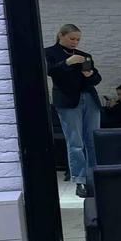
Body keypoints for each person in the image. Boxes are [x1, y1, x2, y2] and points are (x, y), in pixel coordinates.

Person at [44, 23, 101, 198]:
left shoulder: (84, 55)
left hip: (89, 98)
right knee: (75, 142)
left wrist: (90, 75)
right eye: (72, 38)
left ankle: (94, 177)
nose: (75, 42)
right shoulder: (49, 53)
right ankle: (80, 180)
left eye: (78, 39)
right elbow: (50, 71)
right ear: (61, 35)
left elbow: (96, 79)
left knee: (93, 139)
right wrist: (67, 62)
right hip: (67, 100)